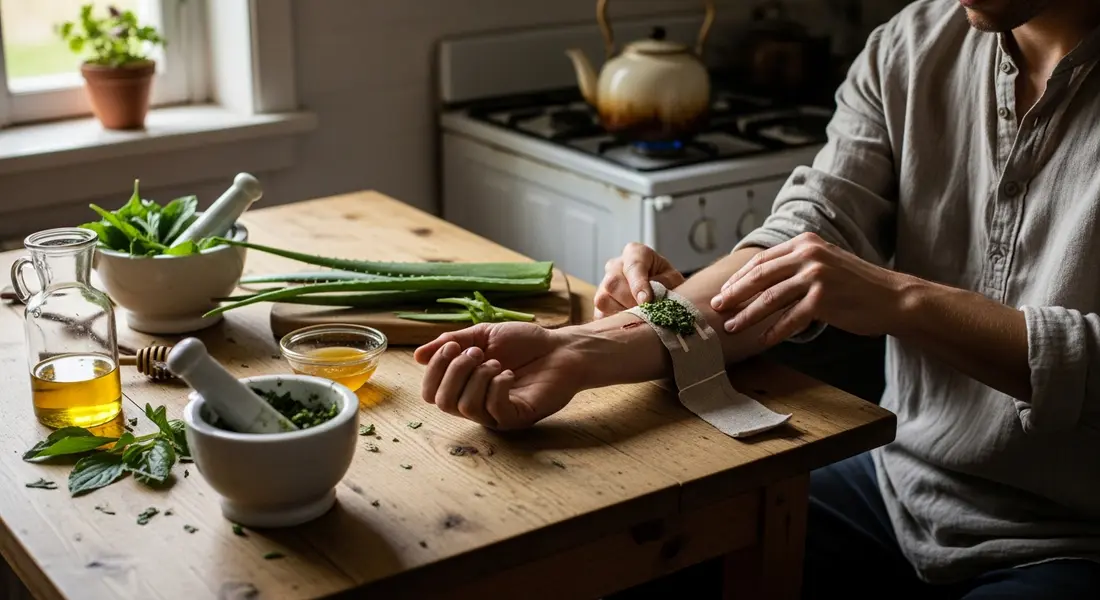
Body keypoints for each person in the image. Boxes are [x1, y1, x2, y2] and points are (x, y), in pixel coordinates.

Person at [414, 0, 1100, 597]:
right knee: (632, 564)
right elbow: (801, 237)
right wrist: (582, 351)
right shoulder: (911, 45)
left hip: (1074, 536)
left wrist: (903, 300)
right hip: (899, 488)